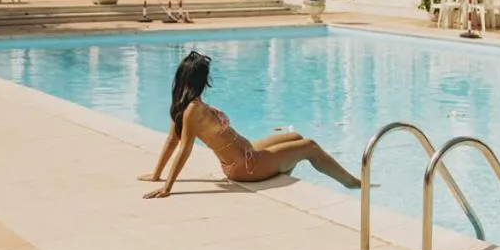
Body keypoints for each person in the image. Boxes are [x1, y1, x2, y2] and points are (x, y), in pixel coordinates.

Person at [140, 51, 361, 199]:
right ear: (201, 80)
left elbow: (171, 140)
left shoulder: (184, 105)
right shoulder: (192, 110)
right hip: (247, 166)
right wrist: (167, 187)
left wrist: (156, 173)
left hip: (248, 152)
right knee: (309, 146)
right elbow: (183, 148)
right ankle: (351, 183)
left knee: (296, 137)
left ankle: (279, 170)